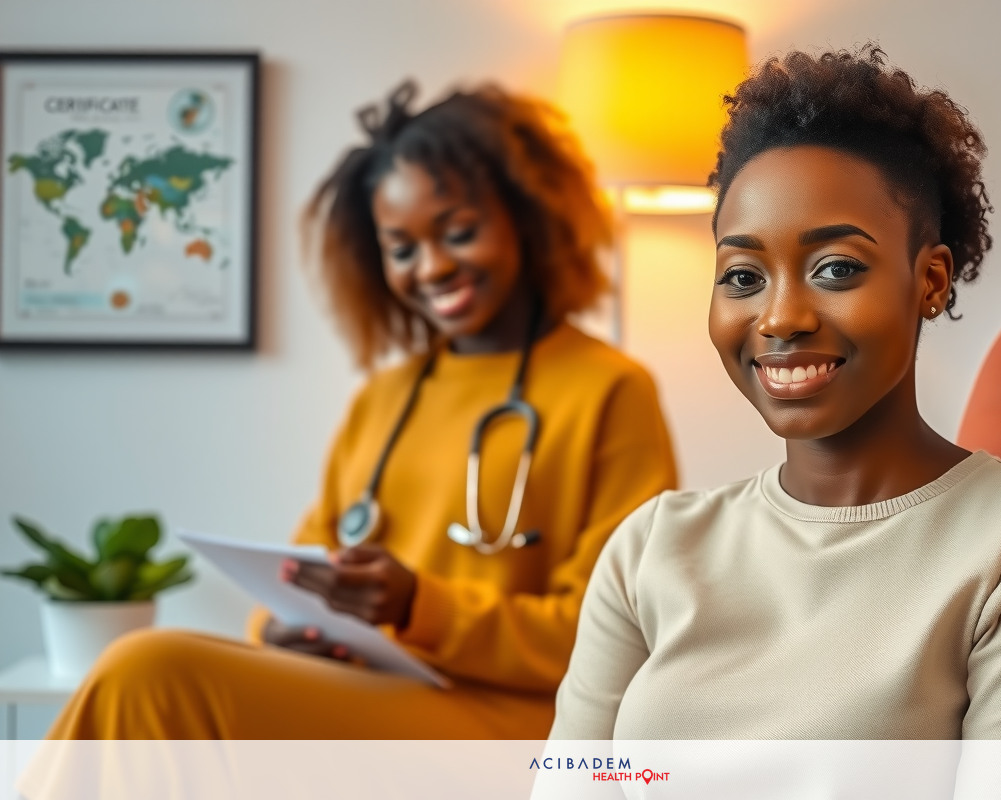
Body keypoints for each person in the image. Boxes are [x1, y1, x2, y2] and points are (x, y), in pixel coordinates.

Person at [47, 81, 676, 739]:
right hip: (370, 693)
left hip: (519, 722)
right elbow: (296, 569)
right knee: (146, 676)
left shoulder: (610, 389)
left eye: (458, 232)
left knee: (151, 669)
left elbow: (616, 633)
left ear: (527, 213)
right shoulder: (385, 397)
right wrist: (286, 630)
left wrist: (418, 607)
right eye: (401, 248)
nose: (431, 267)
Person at [549, 46, 1001, 740]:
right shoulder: (652, 546)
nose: (779, 317)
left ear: (931, 281)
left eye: (835, 268)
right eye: (742, 276)